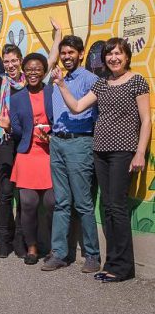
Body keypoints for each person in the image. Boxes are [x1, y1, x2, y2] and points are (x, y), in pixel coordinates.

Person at [53, 38, 151, 282]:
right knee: (108, 207)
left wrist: (140, 152)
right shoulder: (102, 83)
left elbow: (147, 120)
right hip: (100, 150)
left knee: (117, 208)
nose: (113, 58)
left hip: (124, 150)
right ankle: (112, 262)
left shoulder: (137, 81)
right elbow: (77, 107)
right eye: (109, 54)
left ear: (127, 57)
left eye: (118, 53)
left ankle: (123, 267)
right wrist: (62, 85)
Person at [0, 16, 60, 258]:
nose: (10, 64)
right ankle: (6, 242)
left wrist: (58, 34)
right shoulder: (4, 83)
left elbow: (49, 61)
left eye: (13, 60)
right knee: (8, 193)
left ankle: (26, 240)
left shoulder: (36, 79)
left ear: (21, 61)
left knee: (44, 201)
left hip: (34, 142)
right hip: (10, 139)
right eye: (6, 61)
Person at [42, 35, 101, 273]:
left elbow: (90, 112)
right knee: (62, 202)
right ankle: (59, 253)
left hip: (80, 143)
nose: (66, 57)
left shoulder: (90, 79)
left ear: (81, 53)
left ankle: (92, 255)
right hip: (57, 143)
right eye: (63, 53)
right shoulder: (59, 80)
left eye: (71, 53)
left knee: (84, 203)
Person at [8, 54, 55, 265]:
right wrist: (8, 126)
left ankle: (56, 247)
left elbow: (61, 119)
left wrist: (50, 134)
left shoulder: (53, 92)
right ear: (23, 71)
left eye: (37, 69)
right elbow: (18, 130)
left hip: (49, 153)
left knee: (52, 202)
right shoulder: (17, 97)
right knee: (28, 203)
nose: (32, 72)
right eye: (28, 69)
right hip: (27, 154)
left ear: (44, 71)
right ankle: (32, 247)